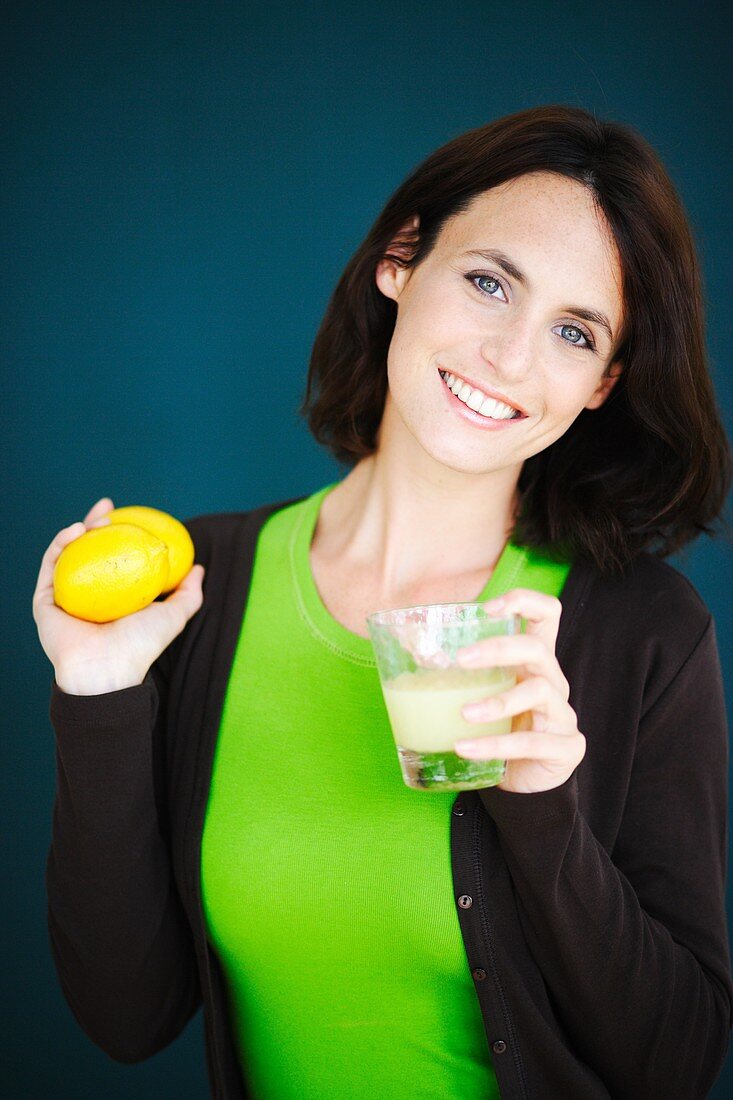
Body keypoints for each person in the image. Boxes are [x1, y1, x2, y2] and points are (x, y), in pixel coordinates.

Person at [34, 104, 733, 1099]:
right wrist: (98, 692)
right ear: (401, 258)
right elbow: (124, 1015)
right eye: (490, 282)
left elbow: (676, 1064)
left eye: (572, 332)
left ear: (601, 384)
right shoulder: (198, 588)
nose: (510, 357)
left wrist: (542, 815)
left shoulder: (644, 633)